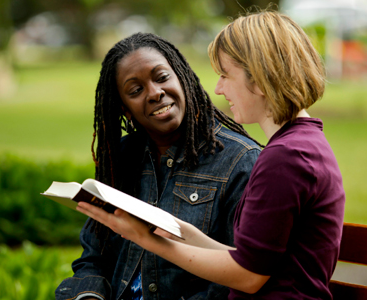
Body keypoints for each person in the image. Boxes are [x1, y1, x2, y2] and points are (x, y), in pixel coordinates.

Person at [76, 11, 346, 299]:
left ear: (259, 78)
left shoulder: (286, 157)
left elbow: (248, 275)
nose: (217, 88)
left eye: (225, 75)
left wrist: (145, 238)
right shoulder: (299, 146)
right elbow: (251, 258)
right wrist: (175, 230)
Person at [55, 33, 261, 300]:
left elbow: (236, 279)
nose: (155, 93)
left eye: (162, 77)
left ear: (183, 78)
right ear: (125, 109)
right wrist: (89, 296)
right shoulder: (123, 158)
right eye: (135, 90)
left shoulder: (240, 161)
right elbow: (93, 258)